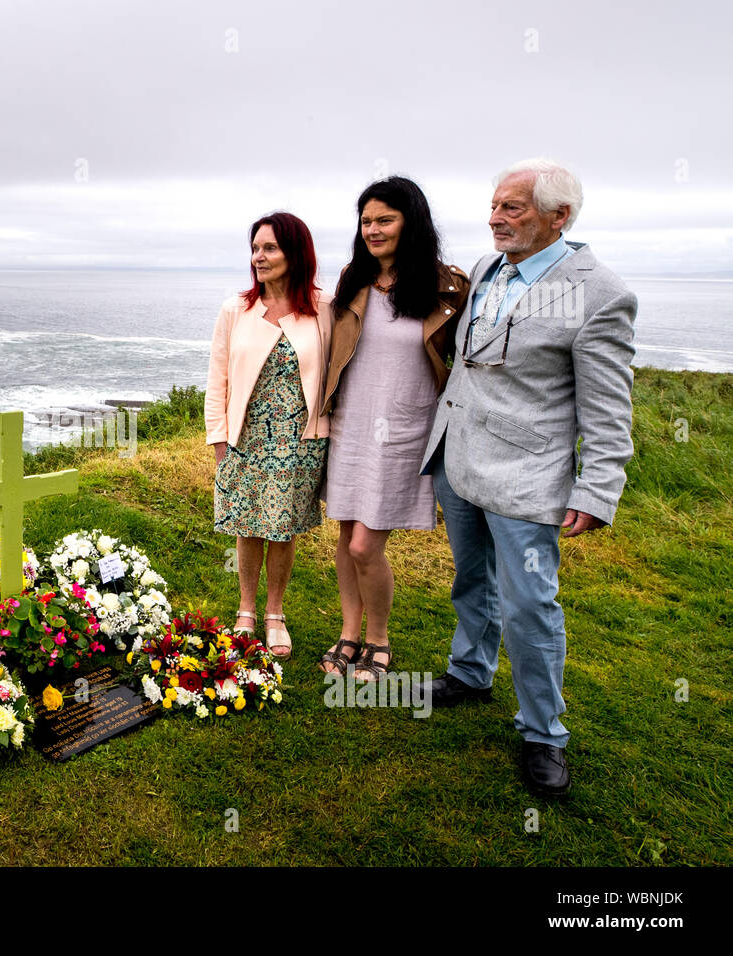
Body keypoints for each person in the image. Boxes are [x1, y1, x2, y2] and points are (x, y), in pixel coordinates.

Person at [420, 158, 637, 797]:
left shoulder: (600, 292)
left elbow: (607, 406)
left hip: (526, 477)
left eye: (512, 208)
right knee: (471, 579)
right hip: (458, 460)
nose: (495, 219)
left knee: (530, 606)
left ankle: (544, 733)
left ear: (558, 216)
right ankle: (470, 672)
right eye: (494, 206)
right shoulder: (489, 269)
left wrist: (597, 489)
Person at [316, 177, 469, 682]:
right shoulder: (352, 279)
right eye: (366, 221)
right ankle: (349, 633)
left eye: (385, 219)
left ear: (412, 222)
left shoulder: (448, 285)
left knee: (366, 545)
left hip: (405, 428)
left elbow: (466, 358)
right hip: (350, 425)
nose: (373, 230)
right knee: (345, 535)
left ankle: (378, 640)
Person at [205, 212, 333, 660]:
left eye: (270, 248)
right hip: (245, 435)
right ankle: (245, 610)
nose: (259, 256)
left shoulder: (324, 307)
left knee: (283, 528)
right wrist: (218, 437)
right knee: (247, 525)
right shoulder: (235, 309)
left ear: (296, 253)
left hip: (300, 438)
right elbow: (217, 376)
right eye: (256, 248)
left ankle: (274, 613)